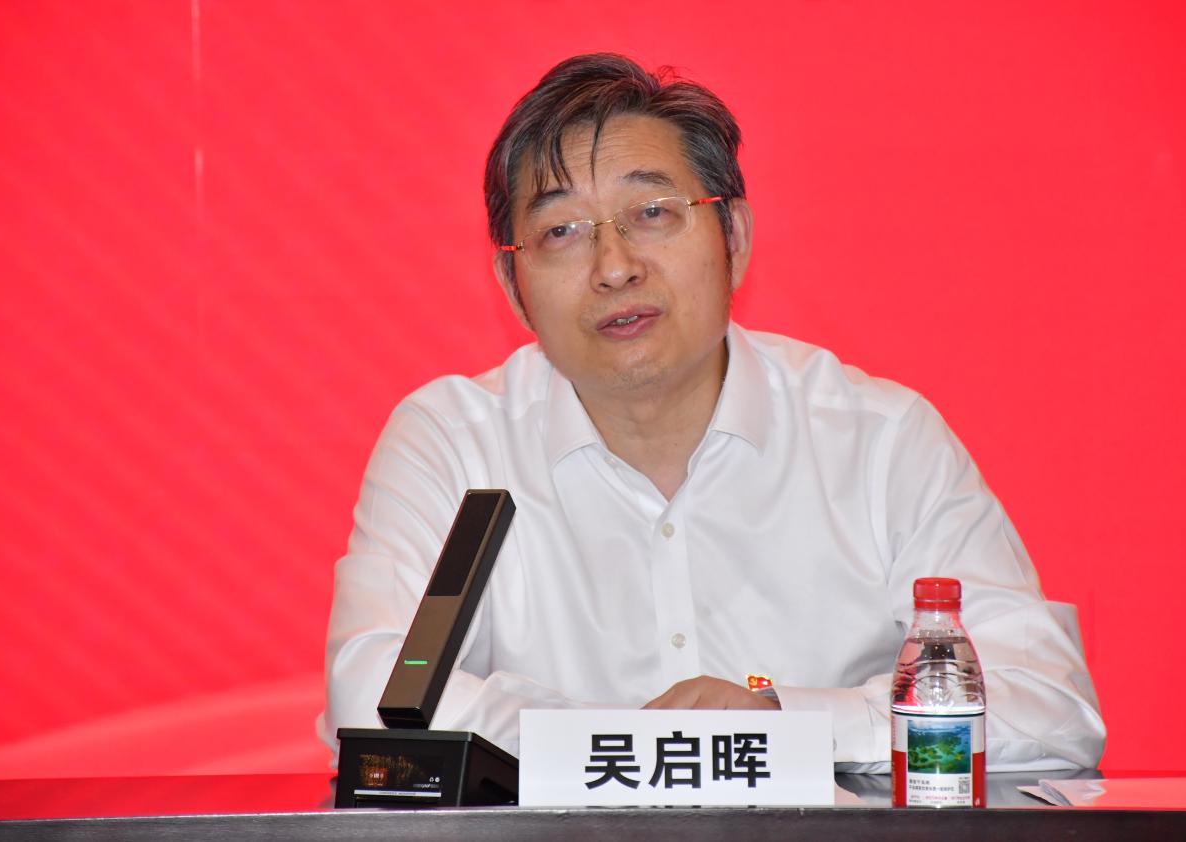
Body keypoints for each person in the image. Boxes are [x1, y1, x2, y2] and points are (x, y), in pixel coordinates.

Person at [319, 53, 1105, 773]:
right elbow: (375, 698)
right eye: (561, 231)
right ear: (510, 285)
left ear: (733, 235)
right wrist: (634, 747)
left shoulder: (878, 441)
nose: (614, 267)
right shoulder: (452, 442)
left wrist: (782, 722)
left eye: (652, 213)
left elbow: (1045, 707)